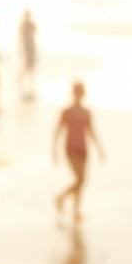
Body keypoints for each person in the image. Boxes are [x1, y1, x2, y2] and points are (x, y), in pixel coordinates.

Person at [52, 80, 106, 222]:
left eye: (80, 92)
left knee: (81, 181)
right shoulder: (66, 112)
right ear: (73, 93)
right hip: (70, 148)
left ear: (83, 94)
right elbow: (58, 130)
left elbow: (91, 131)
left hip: (83, 149)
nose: (78, 94)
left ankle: (76, 211)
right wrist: (54, 150)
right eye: (76, 92)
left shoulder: (87, 112)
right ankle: (61, 197)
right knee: (80, 179)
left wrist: (100, 149)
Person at [18, 9, 38, 99]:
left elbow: (36, 29)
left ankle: (30, 85)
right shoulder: (24, 24)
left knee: (29, 68)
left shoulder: (26, 24)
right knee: (27, 67)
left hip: (29, 47)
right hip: (28, 48)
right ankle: (22, 82)